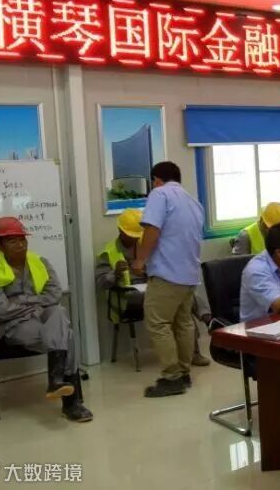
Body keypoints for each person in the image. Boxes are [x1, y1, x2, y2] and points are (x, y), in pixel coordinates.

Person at [0, 217, 94, 422]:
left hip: (43, 316)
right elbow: (1, 311)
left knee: (58, 311)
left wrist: (21, 301)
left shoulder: (40, 263)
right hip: (14, 326)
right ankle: (70, 402)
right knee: (68, 336)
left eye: (22, 239)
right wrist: (34, 304)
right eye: (12, 241)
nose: (20, 245)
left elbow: (54, 294)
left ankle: (57, 382)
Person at [99, 210, 211, 366]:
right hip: (127, 298)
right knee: (175, 299)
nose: (134, 239)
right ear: (120, 231)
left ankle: (206, 324)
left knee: (182, 294)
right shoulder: (108, 252)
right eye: (131, 235)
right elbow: (101, 283)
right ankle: (204, 329)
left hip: (153, 288)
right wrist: (115, 273)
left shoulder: (145, 245)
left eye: (137, 235)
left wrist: (150, 270)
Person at [132, 161, 205, 398]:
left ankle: (172, 377)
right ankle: (184, 372)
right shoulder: (193, 202)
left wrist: (140, 260)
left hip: (167, 274)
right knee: (183, 323)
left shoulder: (159, 194)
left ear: (156, 179)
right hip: (189, 275)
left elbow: (152, 230)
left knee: (157, 323)